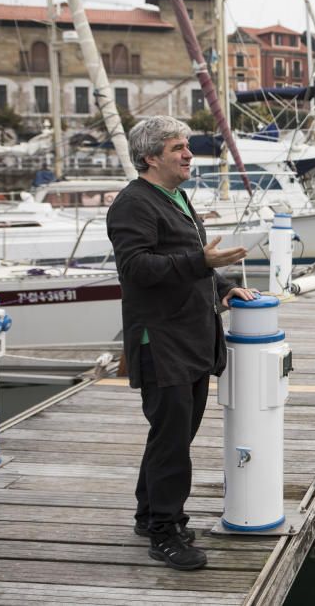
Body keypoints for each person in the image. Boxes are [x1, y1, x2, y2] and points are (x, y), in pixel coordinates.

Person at [107, 116, 255, 570]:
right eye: (178, 147)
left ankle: (149, 513)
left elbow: (192, 262)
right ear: (151, 157)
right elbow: (136, 270)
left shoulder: (176, 197)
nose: (189, 153)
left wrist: (223, 285)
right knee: (172, 442)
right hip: (161, 341)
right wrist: (200, 260)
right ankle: (166, 534)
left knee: (173, 436)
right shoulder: (133, 205)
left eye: (187, 145)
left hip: (190, 337)